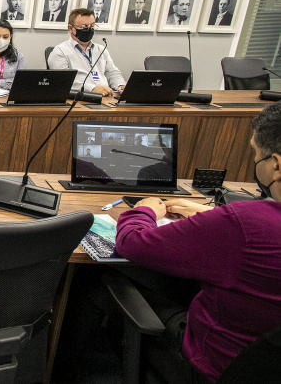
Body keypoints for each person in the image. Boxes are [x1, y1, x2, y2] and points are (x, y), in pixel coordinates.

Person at [114, 100, 281, 382]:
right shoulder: (242, 223)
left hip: (209, 366)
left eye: (256, 155)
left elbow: (132, 243)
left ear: (276, 164)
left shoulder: (244, 224)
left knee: (100, 280)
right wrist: (216, 216)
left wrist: (144, 210)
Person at [48, 8, 125, 96]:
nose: (89, 30)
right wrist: (92, 89)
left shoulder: (101, 50)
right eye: (84, 27)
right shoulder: (60, 51)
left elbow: (112, 72)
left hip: (107, 97)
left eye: (92, 26)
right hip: (80, 98)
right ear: (70, 28)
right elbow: (63, 81)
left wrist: (120, 85)